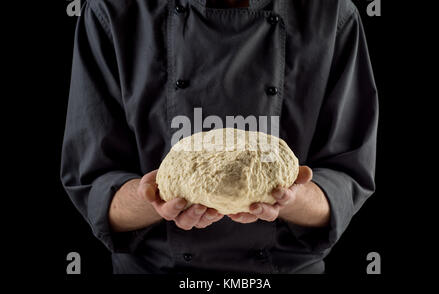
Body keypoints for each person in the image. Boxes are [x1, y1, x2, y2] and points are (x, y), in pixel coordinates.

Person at [61, 0, 378, 274]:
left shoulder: (332, 13)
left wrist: (292, 198)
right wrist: (155, 198)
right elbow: (95, 185)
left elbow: (346, 177)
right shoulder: (112, 11)